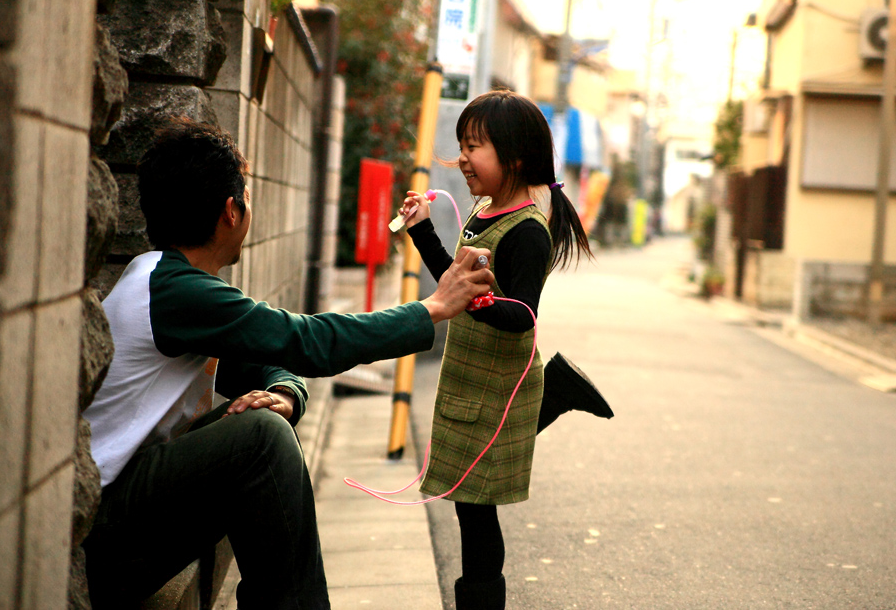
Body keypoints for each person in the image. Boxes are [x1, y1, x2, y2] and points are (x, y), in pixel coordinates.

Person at [82, 119, 495, 610]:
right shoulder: (176, 293)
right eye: (247, 197)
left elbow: (265, 361)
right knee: (261, 438)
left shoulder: (165, 281)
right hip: (102, 531)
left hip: (121, 514)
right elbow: (305, 341)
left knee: (264, 425)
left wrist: (285, 394)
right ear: (231, 212)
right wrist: (432, 308)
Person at [398, 90, 610, 610]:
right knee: (467, 497)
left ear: (514, 157)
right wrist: (422, 231)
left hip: (496, 381)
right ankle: (555, 394)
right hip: (471, 378)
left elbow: (522, 317)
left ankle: (480, 602)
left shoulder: (527, 233)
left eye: (474, 147)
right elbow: (456, 280)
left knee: (475, 507)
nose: (463, 159)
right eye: (462, 146)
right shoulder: (484, 208)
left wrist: (475, 299)